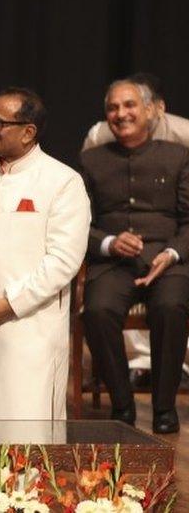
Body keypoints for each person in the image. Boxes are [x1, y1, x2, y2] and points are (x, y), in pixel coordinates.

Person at [0, 88, 90, 420]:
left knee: (26, 440)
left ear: (28, 132)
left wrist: (11, 303)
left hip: (29, 329)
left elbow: (63, 260)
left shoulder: (63, 181)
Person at [80, 79, 189, 434]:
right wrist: (109, 242)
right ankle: (123, 406)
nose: (120, 114)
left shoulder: (178, 156)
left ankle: (163, 407)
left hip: (167, 261)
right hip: (113, 264)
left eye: (129, 105)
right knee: (96, 310)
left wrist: (172, 253)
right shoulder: (90, 160)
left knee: (170, 308)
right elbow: (76, 223)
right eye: (113, 108)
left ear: (149, 110)